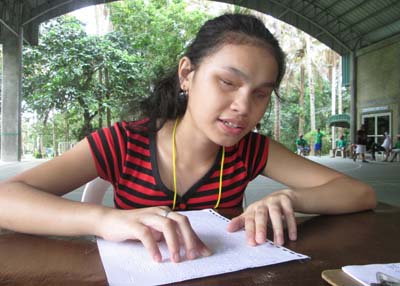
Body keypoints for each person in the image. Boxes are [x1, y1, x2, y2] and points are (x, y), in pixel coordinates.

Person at [0, 13, 376, 264]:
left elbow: (361, 193)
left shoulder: (251, 150)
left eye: (261, 93)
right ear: (187, 74)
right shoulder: (123, 143)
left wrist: (293, 197)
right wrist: (104, 220)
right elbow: (7, 199)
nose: (243, 107)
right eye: (227, 82)